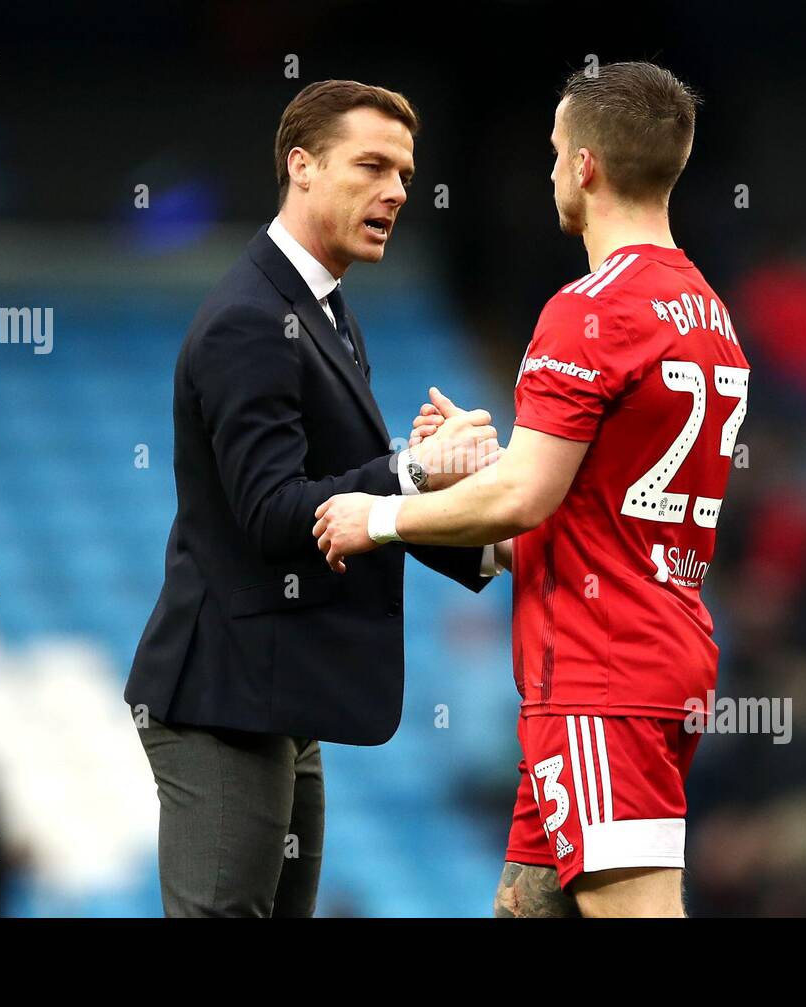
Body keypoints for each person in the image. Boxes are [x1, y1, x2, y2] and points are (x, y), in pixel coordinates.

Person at [312, 62, 749, 918]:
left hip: (601, 676)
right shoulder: (710, 315)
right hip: (646, 654)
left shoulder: (589, 311)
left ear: (584, 165)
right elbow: (570, 523)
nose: (549, 170)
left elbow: (523, 501)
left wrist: (383, 515)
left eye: (554, 152)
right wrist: (478, 478)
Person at [126, 79, 500, 917]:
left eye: (404, 173)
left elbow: (350, 505)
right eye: (371, 166)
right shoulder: (252, 318)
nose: (396, 190)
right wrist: (413, 470)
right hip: (224, 698)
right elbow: (273, 513)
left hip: (278, 699)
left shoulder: (322, 308)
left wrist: (483, 533)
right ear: (302, 166)